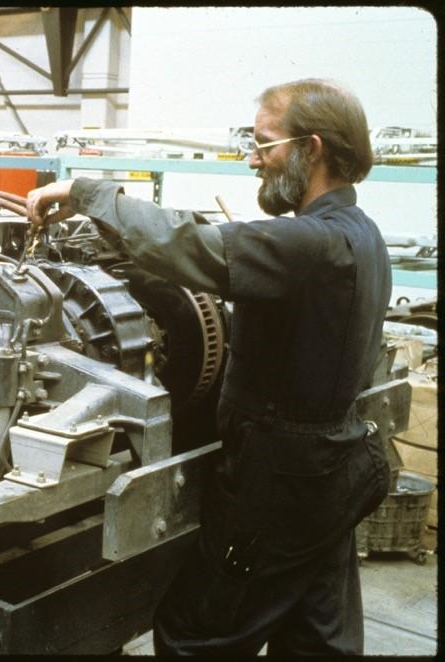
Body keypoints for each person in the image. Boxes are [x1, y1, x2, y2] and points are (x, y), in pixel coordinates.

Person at [26, 79, 391, 655]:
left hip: (279, 483)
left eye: (264, 143)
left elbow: (199, 248)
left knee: (195, 635)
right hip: (332, 471)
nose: (253, 159)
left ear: (312, 148)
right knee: (317, 638)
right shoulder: (362, 233)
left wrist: (88, 193)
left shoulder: (311, 245)